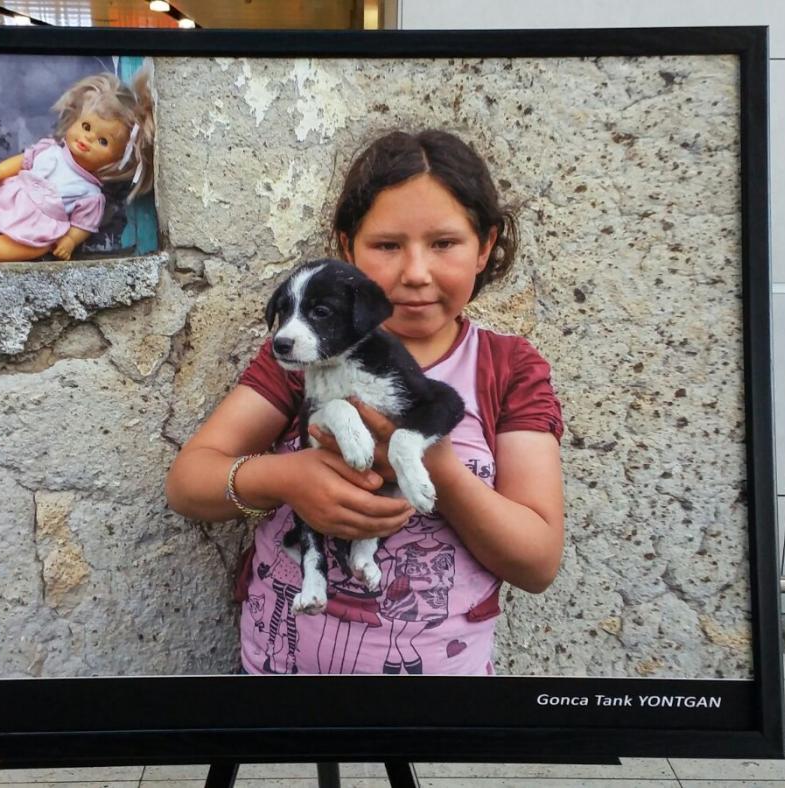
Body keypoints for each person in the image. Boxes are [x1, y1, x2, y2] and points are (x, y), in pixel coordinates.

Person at [166, 129, 566, 676]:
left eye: (444, 243)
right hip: (280, 678)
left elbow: (538, 562)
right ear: (347, 247)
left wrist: (438, 470)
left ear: (486, 246)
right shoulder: (305, 357)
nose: (416, 272)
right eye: (387, 245)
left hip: (437, 700)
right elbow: (188, 484)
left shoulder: (508, 369)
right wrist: (287, 479)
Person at [0, 70, 154, 262]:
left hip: (39, 222)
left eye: (103, 141)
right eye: (86, 126)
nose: (87, 139)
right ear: (74, 120)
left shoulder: (90, 194)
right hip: (13, 195)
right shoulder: (49, 149)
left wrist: (69, 241)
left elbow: (82, 226)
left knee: (35, 248)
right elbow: (22, 161)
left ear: (117, 159)